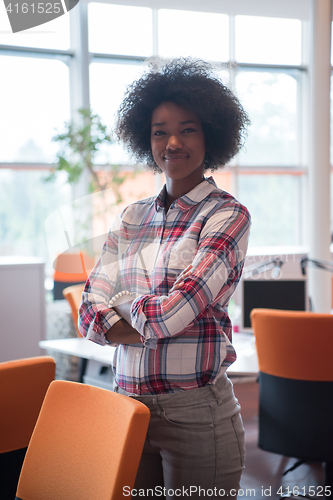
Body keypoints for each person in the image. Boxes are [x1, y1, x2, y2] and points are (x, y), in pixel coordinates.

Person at [78, 58, 251, 499]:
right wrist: (136, 312)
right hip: (127, 405)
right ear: (146, 139)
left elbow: (171, 317)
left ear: (210, 134)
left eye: (187, 129)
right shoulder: (131, 217)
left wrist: (121, 309)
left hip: (195, 413)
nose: (172, 142)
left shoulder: (227, 215)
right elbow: (87, 310)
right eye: (159, 131)